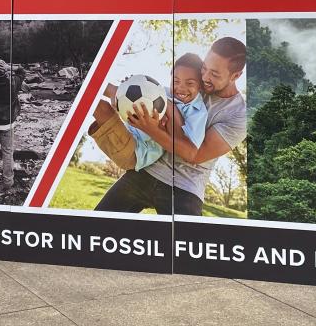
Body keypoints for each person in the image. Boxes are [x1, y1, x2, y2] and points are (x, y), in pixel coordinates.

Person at [92, 37, 248, 216]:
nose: (205, 77)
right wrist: (127, 89)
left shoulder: (239, 115)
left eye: (214, 74)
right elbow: (152, 96)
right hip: (146, 170)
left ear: (236, 76)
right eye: (204, 68)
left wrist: (152, 128)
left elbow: (194, 155)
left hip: (185, 187)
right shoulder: (189, 81)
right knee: (96, 225)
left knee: (185, 244)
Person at [125, 54, 209, 172]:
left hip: (142, 151)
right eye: (176, 81)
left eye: (190, 83)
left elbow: (188, 150)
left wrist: (156, 128)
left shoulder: (198, 112)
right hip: (128, 129)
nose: (181, 88)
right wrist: (127, 88)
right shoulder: (161, 92)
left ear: (200, 86)